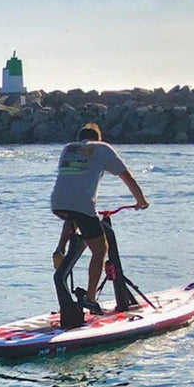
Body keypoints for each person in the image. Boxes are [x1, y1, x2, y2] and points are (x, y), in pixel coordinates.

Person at [50, 123, 148, 311]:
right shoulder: (102, 148)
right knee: (100, 248)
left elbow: (73, 181)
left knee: (77, 220)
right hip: (81, 205)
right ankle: (91, 298)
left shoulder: (68, 149)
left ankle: (60, 249)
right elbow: (128, 178)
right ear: (98, 138)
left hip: (58, 203)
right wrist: (141, 200)